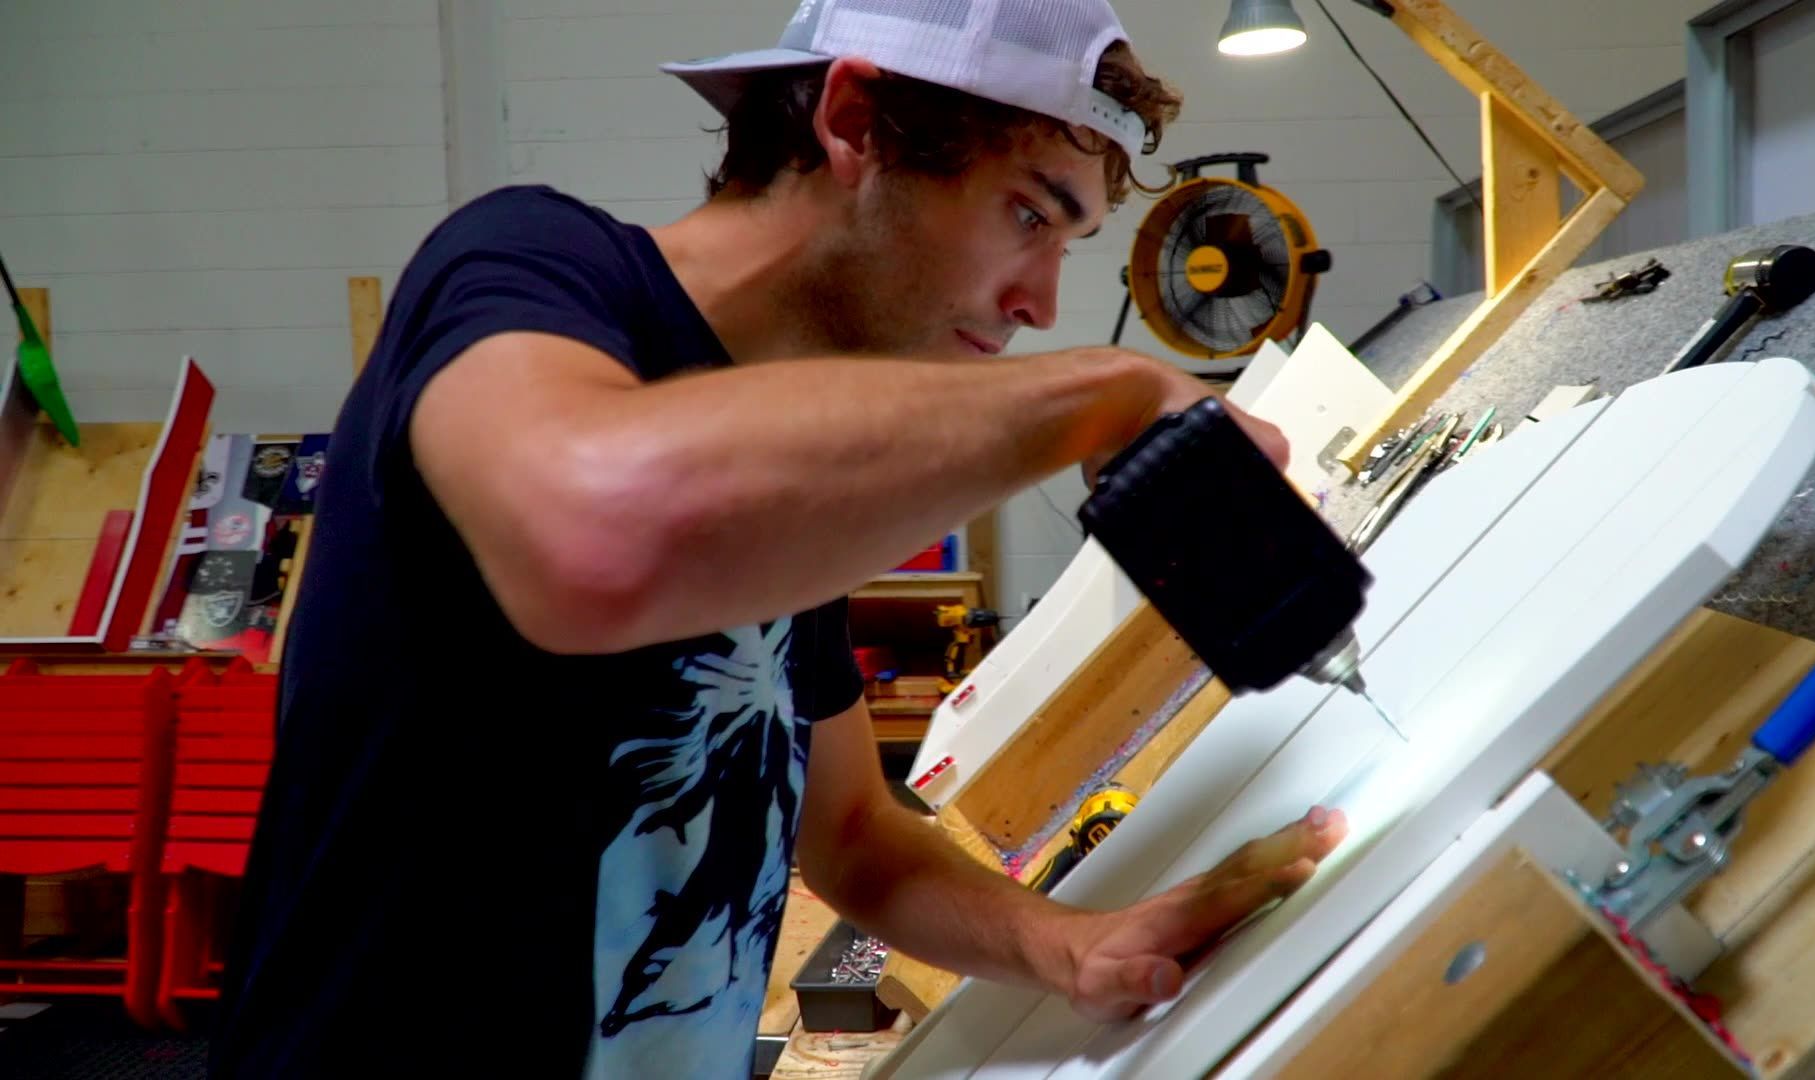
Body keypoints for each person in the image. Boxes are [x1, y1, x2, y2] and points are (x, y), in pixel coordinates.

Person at [213, 1, 1349, 1076]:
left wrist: (1072, 948)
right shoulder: (528, 265)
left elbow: (851, 832)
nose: (1040, 303)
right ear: (855, 123)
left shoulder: (779, 471)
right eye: (1028, 214)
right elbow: (593, 542)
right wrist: (1100, 394)